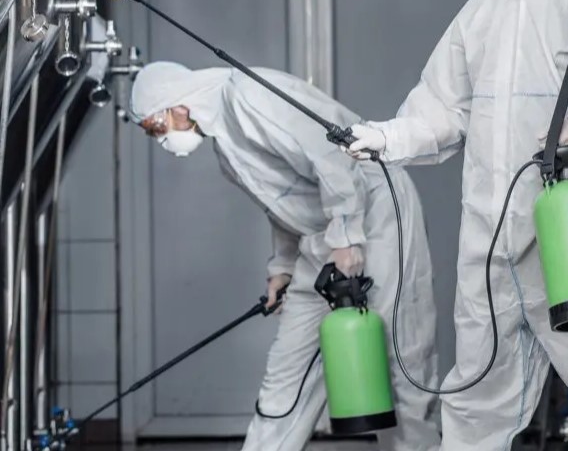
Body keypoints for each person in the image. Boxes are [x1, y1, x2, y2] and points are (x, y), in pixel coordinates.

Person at [345, 0, 568, 450]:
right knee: (475, 392)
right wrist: (386, 137)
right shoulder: (484, 9)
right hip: (487, 235)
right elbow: (441, 108)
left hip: (566, 234)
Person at [130, 61, 440, 451]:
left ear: (178, 107)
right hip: (321, 240)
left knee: (399, 357)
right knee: (285, 377)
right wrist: (282, 268)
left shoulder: (249, 96)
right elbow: (283, 206)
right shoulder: (226, 149)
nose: (161, 139)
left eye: (156, 128)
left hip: (376, 218)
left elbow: (331, 154)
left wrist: (346, 236)